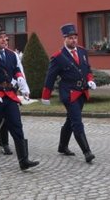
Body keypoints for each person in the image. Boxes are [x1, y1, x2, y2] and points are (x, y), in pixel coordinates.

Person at [0, 22, 39, 171]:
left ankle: (23, 160)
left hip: (9, 95)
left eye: (5, 37)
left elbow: (15, 69)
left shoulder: (11, 55)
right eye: (0, 37)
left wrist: (21, 80)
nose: (4, 40)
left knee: (17, 127)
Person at [41, 23, 97, 163]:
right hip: (69, 94)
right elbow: (50, 77)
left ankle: (62, 146)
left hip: (82, 92)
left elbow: (87, 69)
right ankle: (87, 152)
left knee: (70, 120)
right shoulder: (58, 56)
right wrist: (46, 96)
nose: (73, 40)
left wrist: (90, 80)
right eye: (70, 38)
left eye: (75, 37)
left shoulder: (82, 51)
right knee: (77, 121)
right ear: (64, 39)